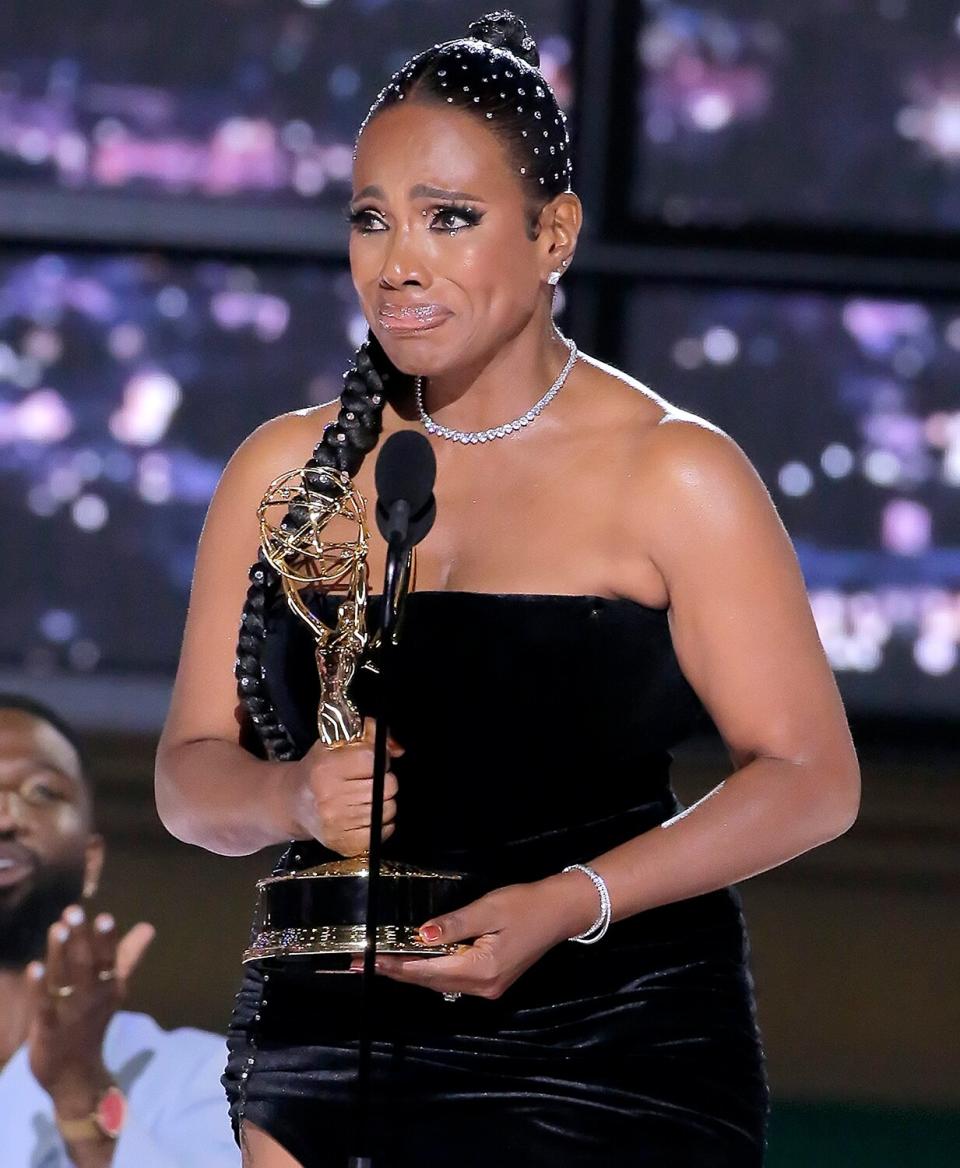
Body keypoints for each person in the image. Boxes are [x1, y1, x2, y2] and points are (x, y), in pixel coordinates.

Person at [155, 12, 861, 1167]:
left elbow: (811, 779)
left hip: (610, 1041)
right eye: (371, 219)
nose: (400, 262)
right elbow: (189, 780)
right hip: (331, 1035)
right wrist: (287, 798)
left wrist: (569, 899)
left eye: (450, 217)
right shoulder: (284, 473)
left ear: (556, 234)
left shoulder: (673, 471)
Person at [0, 694, 240, 1168]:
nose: (5, 818)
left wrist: (79, 1089)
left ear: (91, 862)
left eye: (41, 791)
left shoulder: (197, 1075)